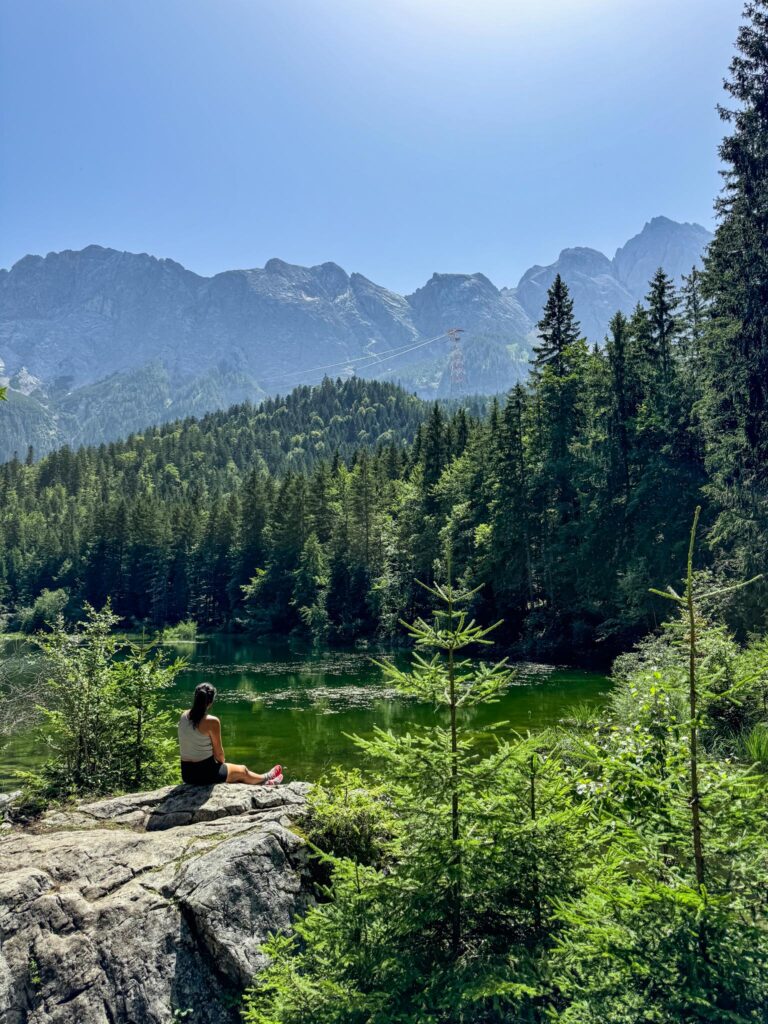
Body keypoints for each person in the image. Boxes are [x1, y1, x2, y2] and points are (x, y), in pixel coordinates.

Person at [178, 682, 282, 786]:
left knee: (234, 774)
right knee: (243, 771)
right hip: (206, 775)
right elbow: (219, 756)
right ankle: (266, 779)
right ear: (210, 702)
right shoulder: (212, 721)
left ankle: (266, 782)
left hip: (187, 775)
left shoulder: (184, 715)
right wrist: (221, 763)